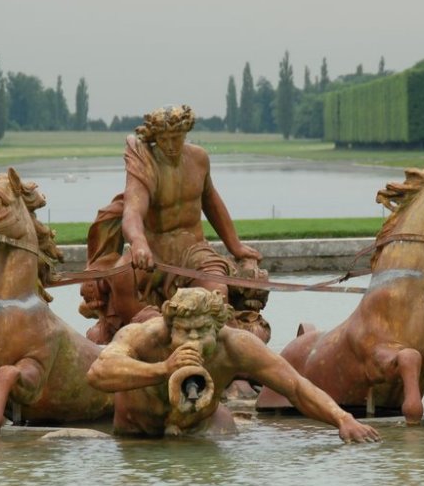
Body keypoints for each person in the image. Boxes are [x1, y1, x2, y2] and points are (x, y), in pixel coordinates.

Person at [86, 288, 379, 443]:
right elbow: (98, 373)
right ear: (169, 327)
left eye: (202, 331)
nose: (194, 339)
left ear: (218, 328)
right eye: (184, 331)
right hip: (137, 434)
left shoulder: (236, 345)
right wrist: (163, 369)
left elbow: (296, 386)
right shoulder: (147, 336)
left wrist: (342, 419)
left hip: (195, 431)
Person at [80, 105, 269, 344]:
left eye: (176, 139)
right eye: (164, 139)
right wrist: (138, 243)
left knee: (216, 292)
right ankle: (151, 334)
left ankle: (222, 344)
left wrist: (235, 246)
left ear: (185, 133)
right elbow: (133, 212)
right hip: (153, 252)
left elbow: (212, 203)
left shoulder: (199, 159)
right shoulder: (145, 163)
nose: (170, 146)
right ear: (154, 138)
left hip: (194, 251)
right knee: (122, 277)